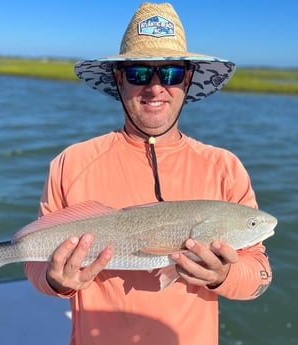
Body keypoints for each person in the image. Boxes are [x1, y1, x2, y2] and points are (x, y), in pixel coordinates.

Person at [25, 2, 272, 344]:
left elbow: (259, 275)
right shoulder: (72, 162)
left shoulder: (225, 167)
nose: (155, 88)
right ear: (118, 79)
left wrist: (224, 274)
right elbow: (34, 263)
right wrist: (56, 281)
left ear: (187, 79)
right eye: (139, 72)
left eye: (171, 72)